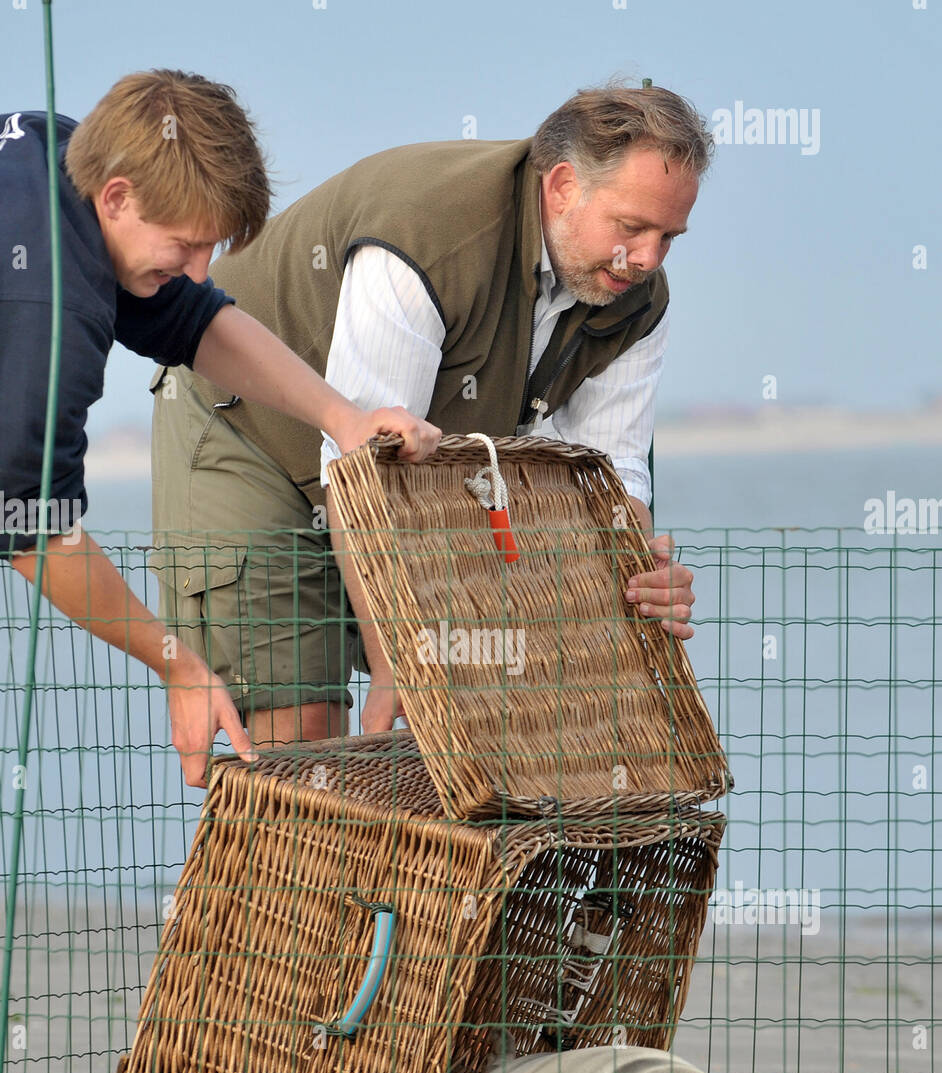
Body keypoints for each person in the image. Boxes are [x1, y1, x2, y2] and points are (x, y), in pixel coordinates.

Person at [152, 81, 711, 740]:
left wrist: (634, 572)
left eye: (669, 236)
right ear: (562, 187)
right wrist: (394, 667)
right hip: (246, 427)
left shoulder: (637, 296)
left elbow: (605, 483)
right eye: (632, 227)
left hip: (411, 474)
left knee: (463, 714)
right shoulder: (428, 236)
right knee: (304, 740)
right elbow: (362, 464)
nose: (648, 258)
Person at [0, 70, 439, 785]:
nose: (201, 267)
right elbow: (31, 528)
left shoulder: (61, 154)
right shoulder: (56, 308)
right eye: (186, 244)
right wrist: (179, 665)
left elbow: (197, 320)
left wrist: (346, 420)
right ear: (118, 197)